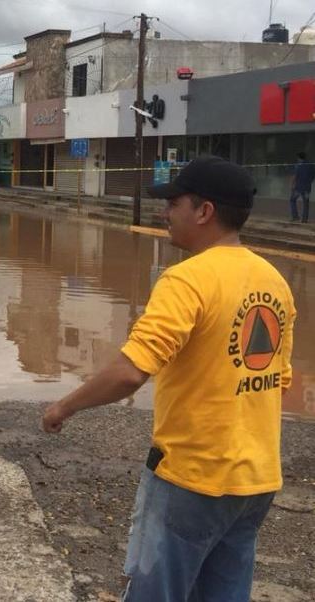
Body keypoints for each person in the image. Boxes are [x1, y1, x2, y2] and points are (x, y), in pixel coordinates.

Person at [41, 156, 296, 602]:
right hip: (256, 479)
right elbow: (276, 379)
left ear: (204, 212)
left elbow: (129, 372)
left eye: (173, 202)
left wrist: (64, 407)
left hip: (191, 477)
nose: (164, 212)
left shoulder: (187, 279)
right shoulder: (275, 282)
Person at [288, 151, 313, 223]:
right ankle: (304, 219)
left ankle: (295, 216)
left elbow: (295, 176)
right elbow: (313, 176)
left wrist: (291, 184)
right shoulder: (310, 165)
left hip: (298, 188)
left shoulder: (298, 165)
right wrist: (309, 182)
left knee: (292, 200)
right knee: (306, 203)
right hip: (307, 188)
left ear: (299, 158)